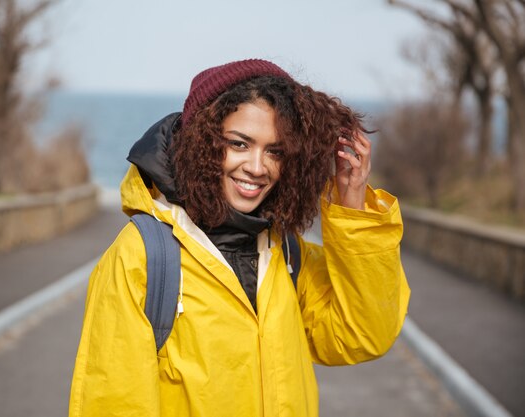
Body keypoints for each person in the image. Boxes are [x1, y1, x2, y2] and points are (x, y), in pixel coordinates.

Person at [68, 59, 410, 417]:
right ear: (201, 139)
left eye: (275, 151)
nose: (257, 167)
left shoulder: (286, 252)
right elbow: (111, 404)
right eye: (239, 144)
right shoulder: (142, 256)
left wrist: (352, 204)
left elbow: (361, 334)